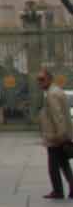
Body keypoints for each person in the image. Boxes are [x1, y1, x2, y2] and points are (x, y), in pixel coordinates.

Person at [38, 69, 71, 200]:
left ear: (50, 79)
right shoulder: (57, 91)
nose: (39, 82)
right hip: (60, 134)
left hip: (55, 136)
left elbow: (58, 117)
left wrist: (60, 136)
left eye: (42, 79)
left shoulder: (52, 94)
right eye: (38, 80)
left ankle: (58, 191)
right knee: (63, 163)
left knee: (53, 167)